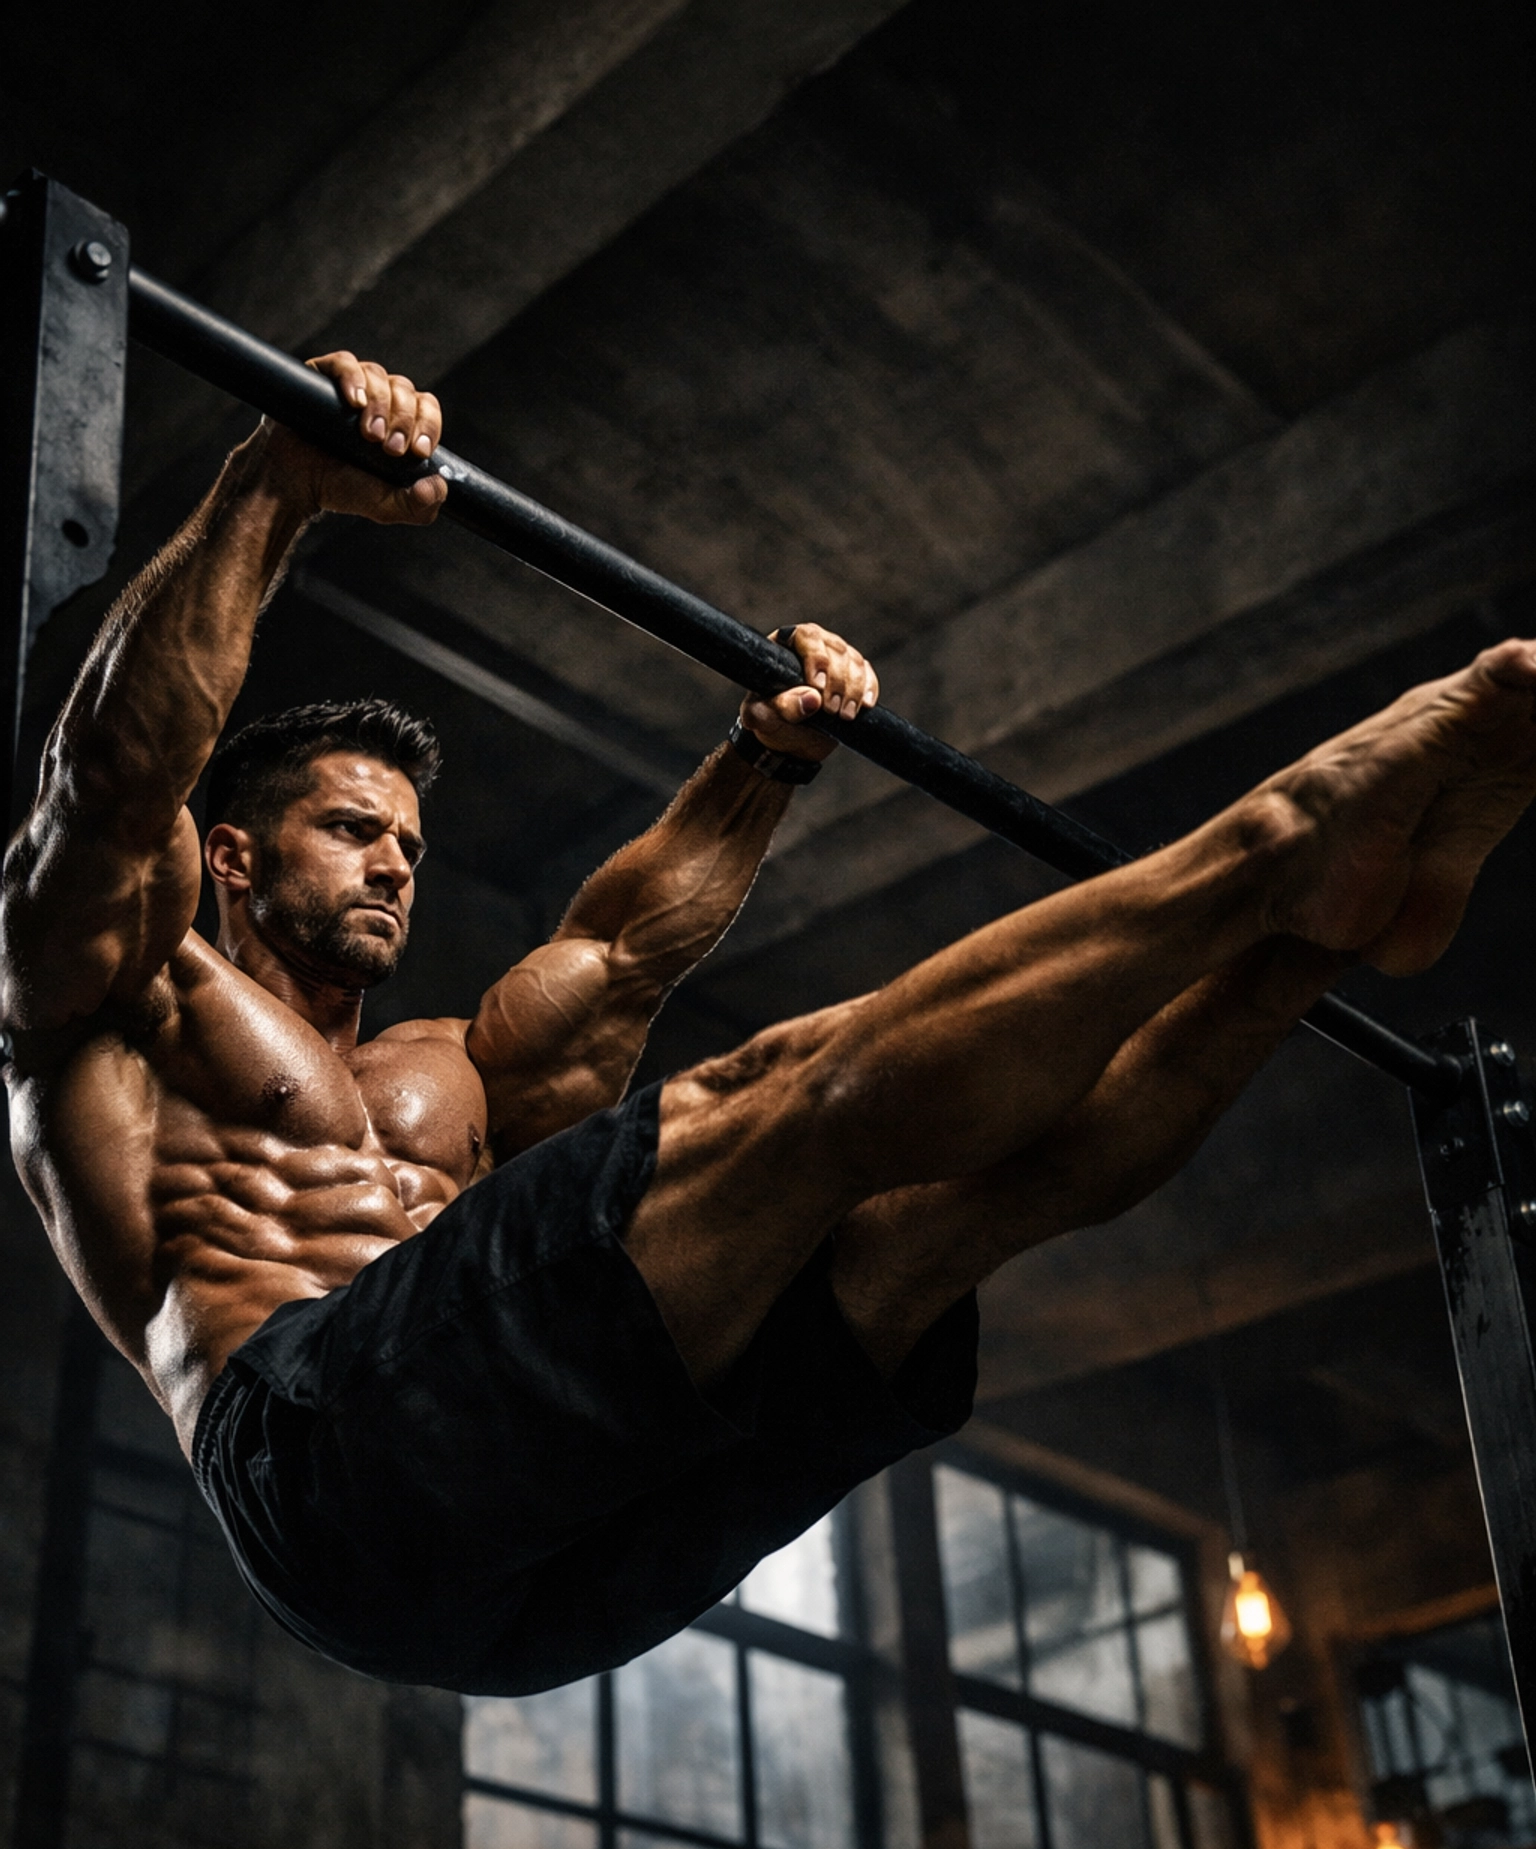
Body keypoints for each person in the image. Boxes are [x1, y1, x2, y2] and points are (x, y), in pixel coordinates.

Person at [3, 354, 1534, 1695]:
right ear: (235, 856)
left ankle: (1300, 946)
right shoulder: (127, 1006)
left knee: (939, 1220)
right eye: (352, 828)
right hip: (326, 1474)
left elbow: (620, 953)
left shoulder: (451, 1069)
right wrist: (275, 486)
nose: (398, 857)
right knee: (783, 1094)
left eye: (409, 838)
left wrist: (765, 758)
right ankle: (1282, 840)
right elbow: (108, 792)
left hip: (544, 1568)